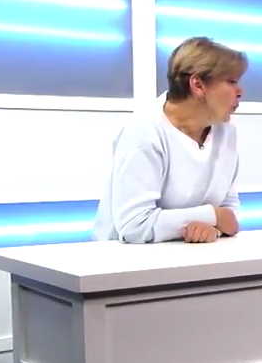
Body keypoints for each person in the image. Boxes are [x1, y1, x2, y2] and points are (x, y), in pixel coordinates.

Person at [93, 37, 246, 243]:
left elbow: (230, 215)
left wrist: (212, 228)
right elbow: (134, 226)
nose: (240, 92)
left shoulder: (226, 131)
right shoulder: (143, 132)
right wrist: (212, 216)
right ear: (198, 84)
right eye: (232, 82)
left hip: (194, 253)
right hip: (125, 258)